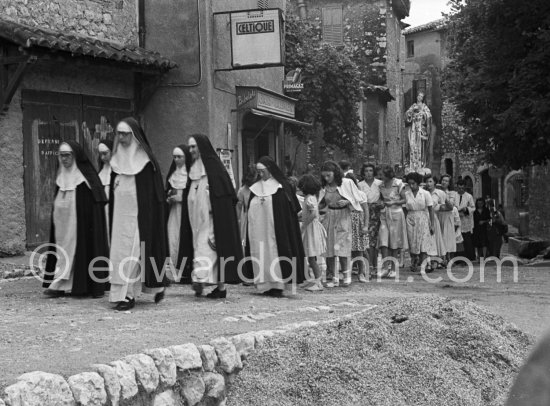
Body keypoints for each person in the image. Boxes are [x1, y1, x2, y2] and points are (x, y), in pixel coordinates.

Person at [108, 118, 168, 311]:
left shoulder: (146, 164)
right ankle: (126, 292)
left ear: (134, 136)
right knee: (120, 255)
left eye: (126, 134)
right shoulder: (116, 163)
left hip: (138, 220)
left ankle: (128, 295)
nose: (122, 137)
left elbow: (154, 197)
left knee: (133, 255)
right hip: (119, 220)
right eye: (119, 133)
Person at [43, 141, 109, 298]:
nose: (64, 159)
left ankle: (77, 285)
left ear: (75, 156)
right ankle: (59, 283)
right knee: (62, 252)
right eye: (61, 155)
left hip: (79, 227)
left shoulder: (85, 179)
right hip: (62, 227)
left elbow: (92, 206)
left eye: (67, 155)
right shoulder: (61, 177)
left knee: (80, 250)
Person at [185, 134, 243, 298]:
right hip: (196, 222)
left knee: (205, 250)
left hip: (212, 222)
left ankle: (199, 279)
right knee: (213, 254)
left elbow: (223, 200)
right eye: (189, 147)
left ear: (202, 148)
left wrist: (212, 209)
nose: (191, 150)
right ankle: (220, 288)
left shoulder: (215, 171)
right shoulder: (194, 169)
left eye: (194, 147)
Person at [244, 156, 306, 297]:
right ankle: (264, 285)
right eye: (258, 172)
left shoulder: (281, 187)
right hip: (258, 230)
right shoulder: (255, 188)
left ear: (270, 170)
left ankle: (278, 285)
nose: (260, 175)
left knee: (275, 254)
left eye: (262, 171)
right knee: (260, 253)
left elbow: (289, 211)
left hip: (276, 231)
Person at [319, 161, 368, 288]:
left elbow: (359, 199)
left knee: (342, 246)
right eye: (324, 176)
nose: (326, 178)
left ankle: (347, 276)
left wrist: (347, 202)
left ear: (335, 173)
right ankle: (333, 277)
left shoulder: (347, 183)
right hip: (330, 215)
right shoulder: (324, 187)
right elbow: (321, 203)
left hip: (343, 216)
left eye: (328, 175)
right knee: (329, 247)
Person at [165, 144, 192, 282]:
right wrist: (169, 197)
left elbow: (193, 196)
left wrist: (181, 199)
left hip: (186, 215)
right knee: (172, 238)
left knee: (183, 240)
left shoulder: (191, 175)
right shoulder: (173, 173)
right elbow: (168, 189)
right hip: (173, 212)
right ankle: (172, 272)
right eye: (174, 157)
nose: (176, 160)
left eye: (179, 157)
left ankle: (185, 273)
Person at [403, 172, 437, 272]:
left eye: (413, 183)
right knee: (412, 241)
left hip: (422, 217)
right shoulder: (406, 194)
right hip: (410, 218)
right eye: (409, 184)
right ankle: (414, 260)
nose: (411, 186)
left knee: (423, 242)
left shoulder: (425, 193)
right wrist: (406, 220)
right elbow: (405, 208)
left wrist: (432, 224)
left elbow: (431, 209)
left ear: (418, 183)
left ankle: (426, 264)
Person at [378, 165, 408, 278]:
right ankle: (385, 267)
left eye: (382, 175)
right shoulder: (380, 185)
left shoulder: (398, 183)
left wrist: (394, 203)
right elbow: (380, 198)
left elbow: (405, 199)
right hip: (385, 214)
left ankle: (394, 268)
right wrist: (381, 203)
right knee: (383, 240)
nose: (380, 177)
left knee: (395, 241)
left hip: (396, 214)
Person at [298, 174, 326, 292]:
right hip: (312, 228)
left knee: (311, 257)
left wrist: (304, 224)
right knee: (311, 256)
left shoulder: (309, 198)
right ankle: (314, 280)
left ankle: (318, 282)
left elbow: (313, 213)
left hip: (311, 229)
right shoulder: (311, 197)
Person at [358, 163, 383, 275]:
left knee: (375, 240)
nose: (368, 173)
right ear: (363, 172)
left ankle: (375, 265)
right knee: (366, 240)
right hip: (365, 211)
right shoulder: (360, 185)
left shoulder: (379, 183)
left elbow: (383, 196)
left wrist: (381, 203)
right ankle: (368, 265)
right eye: (366, 170)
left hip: (377, 212)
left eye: (370, 170)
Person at [424, 174, 448, 269]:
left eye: (430, 181)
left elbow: (444, 205)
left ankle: (438, 259)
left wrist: (438, 208)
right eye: (427, 181)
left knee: (435, 239)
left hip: (434, 217)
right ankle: (428, 260)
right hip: (424, 217)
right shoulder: (424, 193)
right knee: (427, 240)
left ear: (434, 182)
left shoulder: (439, 193)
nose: (428, 184)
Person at [405, 91, 432, 171]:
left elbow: (429, 116)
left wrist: (422, 114)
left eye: (421, 96)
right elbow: (407, 115)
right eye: (418, 96)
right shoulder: (413, 106)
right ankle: (412, 165)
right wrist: (412, 112)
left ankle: (421, 164)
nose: (419, 97)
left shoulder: (424, 107)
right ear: (417, 97)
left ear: (423, 98)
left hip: (421, 129)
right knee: (412, 145)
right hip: (413, 129)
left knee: (421, 145)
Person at [437, 174, 458, 264]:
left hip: (447, 216)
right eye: (443, 180)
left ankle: (448, 257)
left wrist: (444, 198)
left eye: (446, 181)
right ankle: (440, 257)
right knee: (440, 236)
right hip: (439, 215)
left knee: (447, 237)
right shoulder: (437, 191)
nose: (444, 182)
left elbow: (451, 205)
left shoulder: (452, 193)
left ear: (449, 183)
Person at [455, 179, 476, 261]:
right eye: (459, 188)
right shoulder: (454, 195)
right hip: (457, 219)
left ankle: (468, 257)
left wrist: (466, 209)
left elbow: (473, 207)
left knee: (467, 240)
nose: (460, 190)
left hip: (465, 220)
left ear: (464, 187)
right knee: (458, 239)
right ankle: (458, 258)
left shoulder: (469, 196)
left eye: (462, 188)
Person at [236, 169, 257, 248]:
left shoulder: (258, 188)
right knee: (245, 239)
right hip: (247, 217)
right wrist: (238, 220)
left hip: (258, 216)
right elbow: (239, 206)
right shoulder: (242, 190)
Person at [97, 140, 113, 241]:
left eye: (105, 154)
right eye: (100, 154)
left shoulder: (118, 170)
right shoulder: (101, 172)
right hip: (102, 210)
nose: (102, 157)